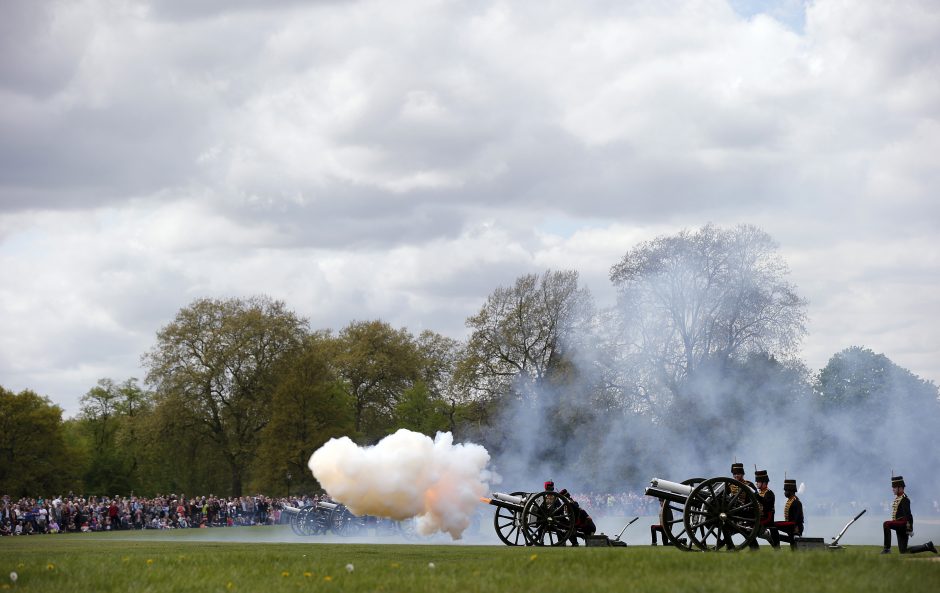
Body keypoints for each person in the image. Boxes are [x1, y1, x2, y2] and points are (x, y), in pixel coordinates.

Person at [881, 476, 937, 555]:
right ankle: (927, 546)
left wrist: (909, 528)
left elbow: (908, 515)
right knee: (903, 551)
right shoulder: (898, 498)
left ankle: (887, 549)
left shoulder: (904, 499)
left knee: (886, 524)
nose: (892, 489)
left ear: (900, 488)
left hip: (903, 524)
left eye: (894, 487)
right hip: (899, 525)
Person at [771, 478, 803, 550]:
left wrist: (796, 529)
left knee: (773, 525)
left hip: (794, 526)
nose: (785, 492)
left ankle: (777, 547)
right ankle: (777, 540)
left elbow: (798, 518)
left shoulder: (796, 502)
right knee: (792, 544)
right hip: (790, 524)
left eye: (786, 490)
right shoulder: (790, 500)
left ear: (791, 491)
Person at [754, 469, 779, 549]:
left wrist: (757, 496)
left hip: (767, 518)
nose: (756, 483)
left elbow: (767, 505)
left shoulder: (769, 493)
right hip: (760, 517)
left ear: (764, 483)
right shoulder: (759, 493)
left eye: (758, 482)